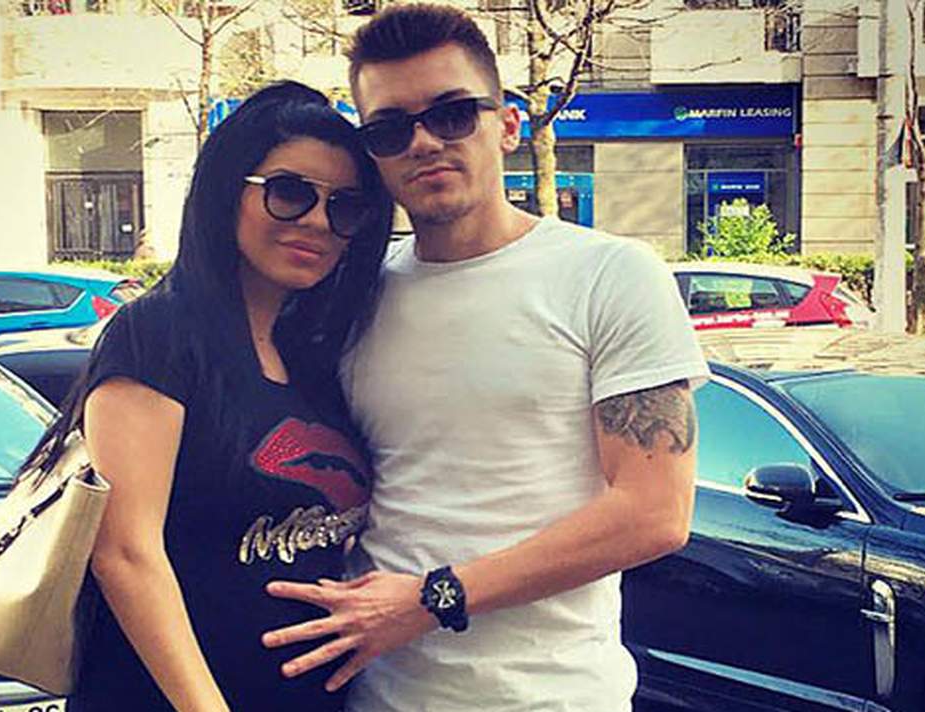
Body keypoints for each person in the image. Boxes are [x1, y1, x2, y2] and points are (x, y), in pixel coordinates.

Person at [261, 6, 710, 712]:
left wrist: (429, 600)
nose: (423, 142)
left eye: (452, 114)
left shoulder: (610, 274)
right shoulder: (353, 293)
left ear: (509, 124)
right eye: (389, 128)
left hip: (551, 699)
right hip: (374, 695)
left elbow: (655, 513)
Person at [20, 80, 393, 712]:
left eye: (345, 207)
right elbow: (125, 553)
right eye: (289, 193)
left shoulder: (319, 353)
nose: (317, 221)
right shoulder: (161, 334)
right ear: (227, 191)